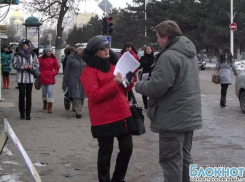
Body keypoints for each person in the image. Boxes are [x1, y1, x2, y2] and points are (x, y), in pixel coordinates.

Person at [135, 20, 202, 182]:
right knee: (185, 158)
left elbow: (157, 87)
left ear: (166, 37)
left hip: (172, 119)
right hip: (188, 115)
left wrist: (138, 85)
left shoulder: (169, 56)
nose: (157, 41)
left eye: (158, 37)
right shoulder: (189, 54)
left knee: (171, 161)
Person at [80, 35, 136, 182]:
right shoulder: (88, 72)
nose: (106, 50)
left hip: (122, 113)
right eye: (101, 48)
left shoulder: (114, 64)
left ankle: (118, 179)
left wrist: (130, 80)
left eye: (106, 47)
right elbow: (94, 96)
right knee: (105, 153)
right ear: (94, 52)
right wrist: (115, 82)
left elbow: (124, 89)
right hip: (103, 117)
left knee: (127, 148)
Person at [13, 39, 39, 120]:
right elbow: (14, 64)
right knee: (21, 94)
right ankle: (22, 112)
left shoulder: (33, 54)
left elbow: (37, 63)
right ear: (21, 46)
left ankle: (28, 114)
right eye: (23, 45)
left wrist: (32, 67)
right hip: (21, 77)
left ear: (29, 46)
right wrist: (22, 66)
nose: (25, 47)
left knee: (29, 96)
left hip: (30, 78)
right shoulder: (17, 54)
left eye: (27, 45)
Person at [62, 44, 86, 119]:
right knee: (76, 94)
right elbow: (67, 70)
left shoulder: (85, 58)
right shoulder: (70, 57)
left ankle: (79, 108)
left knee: (82, 96)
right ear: (76, 50)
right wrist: (65, 81)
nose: (81, 51)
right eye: (79, 49)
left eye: (82, 49)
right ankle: (78, 111)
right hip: (73, 79)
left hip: (83, 79)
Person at [39, 46, 59, 113]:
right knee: (44, 92)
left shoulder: (54, 59)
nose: (48, 52)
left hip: (50, 77)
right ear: (45, 52)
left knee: (50, 91)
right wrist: (40, 73)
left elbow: (57, 68)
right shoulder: (41, 58)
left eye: (49, 51)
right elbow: (38, 66)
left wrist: (54, 73)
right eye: (47, 51)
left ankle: (49, 107)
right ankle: (45, 104)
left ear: (51, 52)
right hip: (43, 76)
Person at [138, 45, 155, 109]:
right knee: (144, 91)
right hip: (144, 75)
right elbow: (139, 66)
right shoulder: (142, 58)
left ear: (151, 50)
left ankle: (151, 104)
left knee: (151, 91)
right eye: (146, 49)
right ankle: (145, 105)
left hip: (152, 76)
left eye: (149, 49)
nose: (147, 50)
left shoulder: (154, 58)